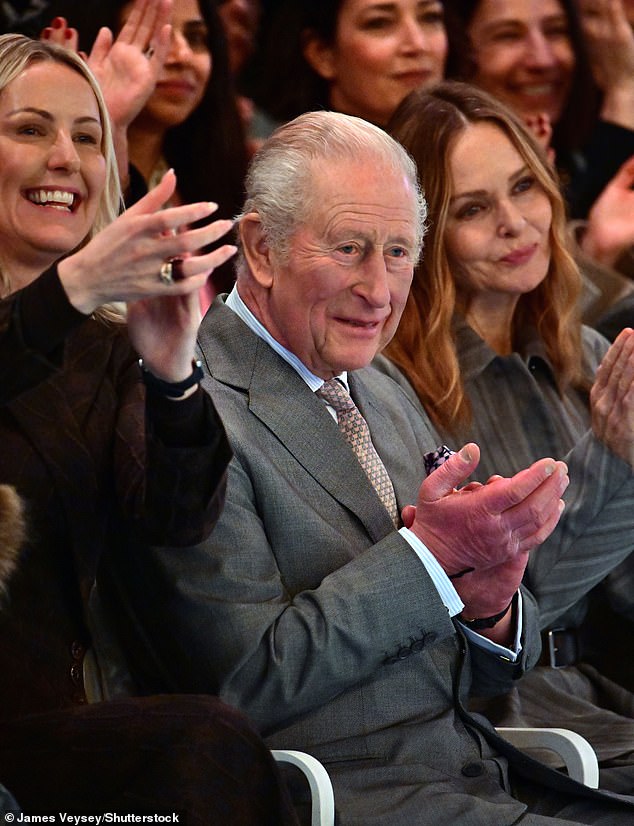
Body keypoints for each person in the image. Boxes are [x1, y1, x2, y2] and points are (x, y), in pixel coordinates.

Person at [96, 108, 634, 825]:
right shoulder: (188, 411)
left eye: (399, 252)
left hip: (487, 771)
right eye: (349, 249)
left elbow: (486, 665)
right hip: (341, 798)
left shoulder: (378, 383)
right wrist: (429, 559)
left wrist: (491, 608)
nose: (379, 290)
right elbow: (241, 684)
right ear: (260, 248)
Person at [0, 32, 298, 824]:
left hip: (53, 729)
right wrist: (71, 288)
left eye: (88, 137)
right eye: (29, 129)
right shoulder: (69, 309)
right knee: (204, 742)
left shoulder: (103, 343)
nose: (66, 159)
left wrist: (172, 374)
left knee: (211, 744)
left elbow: (175, 520)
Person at [381, 79, 634, 784]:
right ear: (423, 235)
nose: (515, 222)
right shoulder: (393, 385)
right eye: (473, 208)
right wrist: (613, 461)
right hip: (515, 724)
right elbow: (509, 599)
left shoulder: (584, 353)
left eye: (524, 187)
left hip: (612, 694)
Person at [42, 0, 249, 301]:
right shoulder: (49, 193)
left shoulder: (222, 182)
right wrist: (102, 124)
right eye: (151, 40)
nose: (182, 56)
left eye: (195, 37)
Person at [443, 0, 634, 219]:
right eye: (508, 36)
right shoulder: (438, 179)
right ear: (458, 50)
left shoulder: (574, 154)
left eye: (555, 31)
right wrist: (623, 90)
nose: (543, 60)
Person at [248, 0, 449, 127]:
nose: (418, 44)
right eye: (379, 22)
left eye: (430, 17)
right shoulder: (294, 167)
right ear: (322, 54)